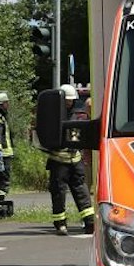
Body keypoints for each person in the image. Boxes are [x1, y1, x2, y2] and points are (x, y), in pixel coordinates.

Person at [45, 85, 94, 236]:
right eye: (67, 100)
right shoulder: (53, 117)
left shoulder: (75, 116)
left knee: (82, 191)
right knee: (59, 194)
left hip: (75, 160)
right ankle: (60, 224)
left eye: (71, 101)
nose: (70, 103)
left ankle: (89, 222)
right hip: (59, 161)